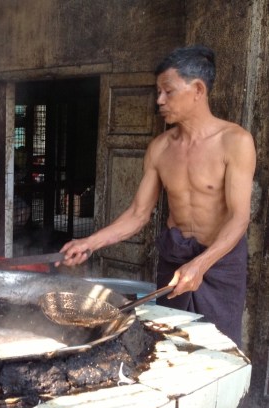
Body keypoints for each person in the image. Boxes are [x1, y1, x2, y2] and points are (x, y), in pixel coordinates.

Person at [58, 45, 256, 347]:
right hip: (174, 258)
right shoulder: (160, 148)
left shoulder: (235, 142)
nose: (159, 100)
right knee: (169, 341)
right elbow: (138, 213)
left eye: (168, 91)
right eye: (158, 92)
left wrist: (201, 265)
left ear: (198, 89)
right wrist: (89, 243)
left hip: (220, 263)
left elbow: (239, 218)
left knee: (219, 348)